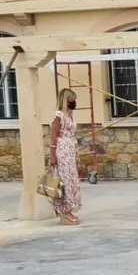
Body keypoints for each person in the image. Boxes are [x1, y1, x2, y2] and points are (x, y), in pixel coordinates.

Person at [50, 88, 83, 225]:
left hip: (70, 148)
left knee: (72, 180)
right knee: (64, 180)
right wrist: (52, 156)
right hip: (62, 149)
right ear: (65, 100)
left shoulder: (70, 115)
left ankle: (69, 208)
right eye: (71, 100)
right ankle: (64, 210)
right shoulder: (59, 116)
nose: (73, 103)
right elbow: (53, 135)